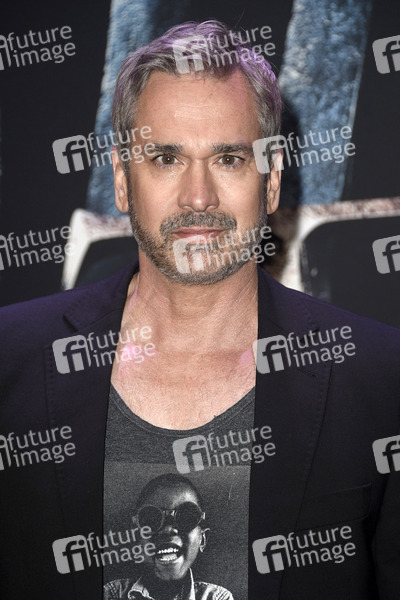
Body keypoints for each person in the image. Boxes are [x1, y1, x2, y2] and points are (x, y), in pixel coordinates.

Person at [0, 19, 400, 600]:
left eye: (229, 158)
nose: (198, 197)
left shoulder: (380, 379)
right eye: (166, 158)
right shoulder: (11, 361)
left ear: (270, 181)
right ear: (121, 178)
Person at [103, 473, 233, 599]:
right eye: (151, 519)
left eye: (186, 517)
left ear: (202, 539)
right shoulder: (113, 594)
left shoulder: (217, 597)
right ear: (136, 540)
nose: (168, 530)